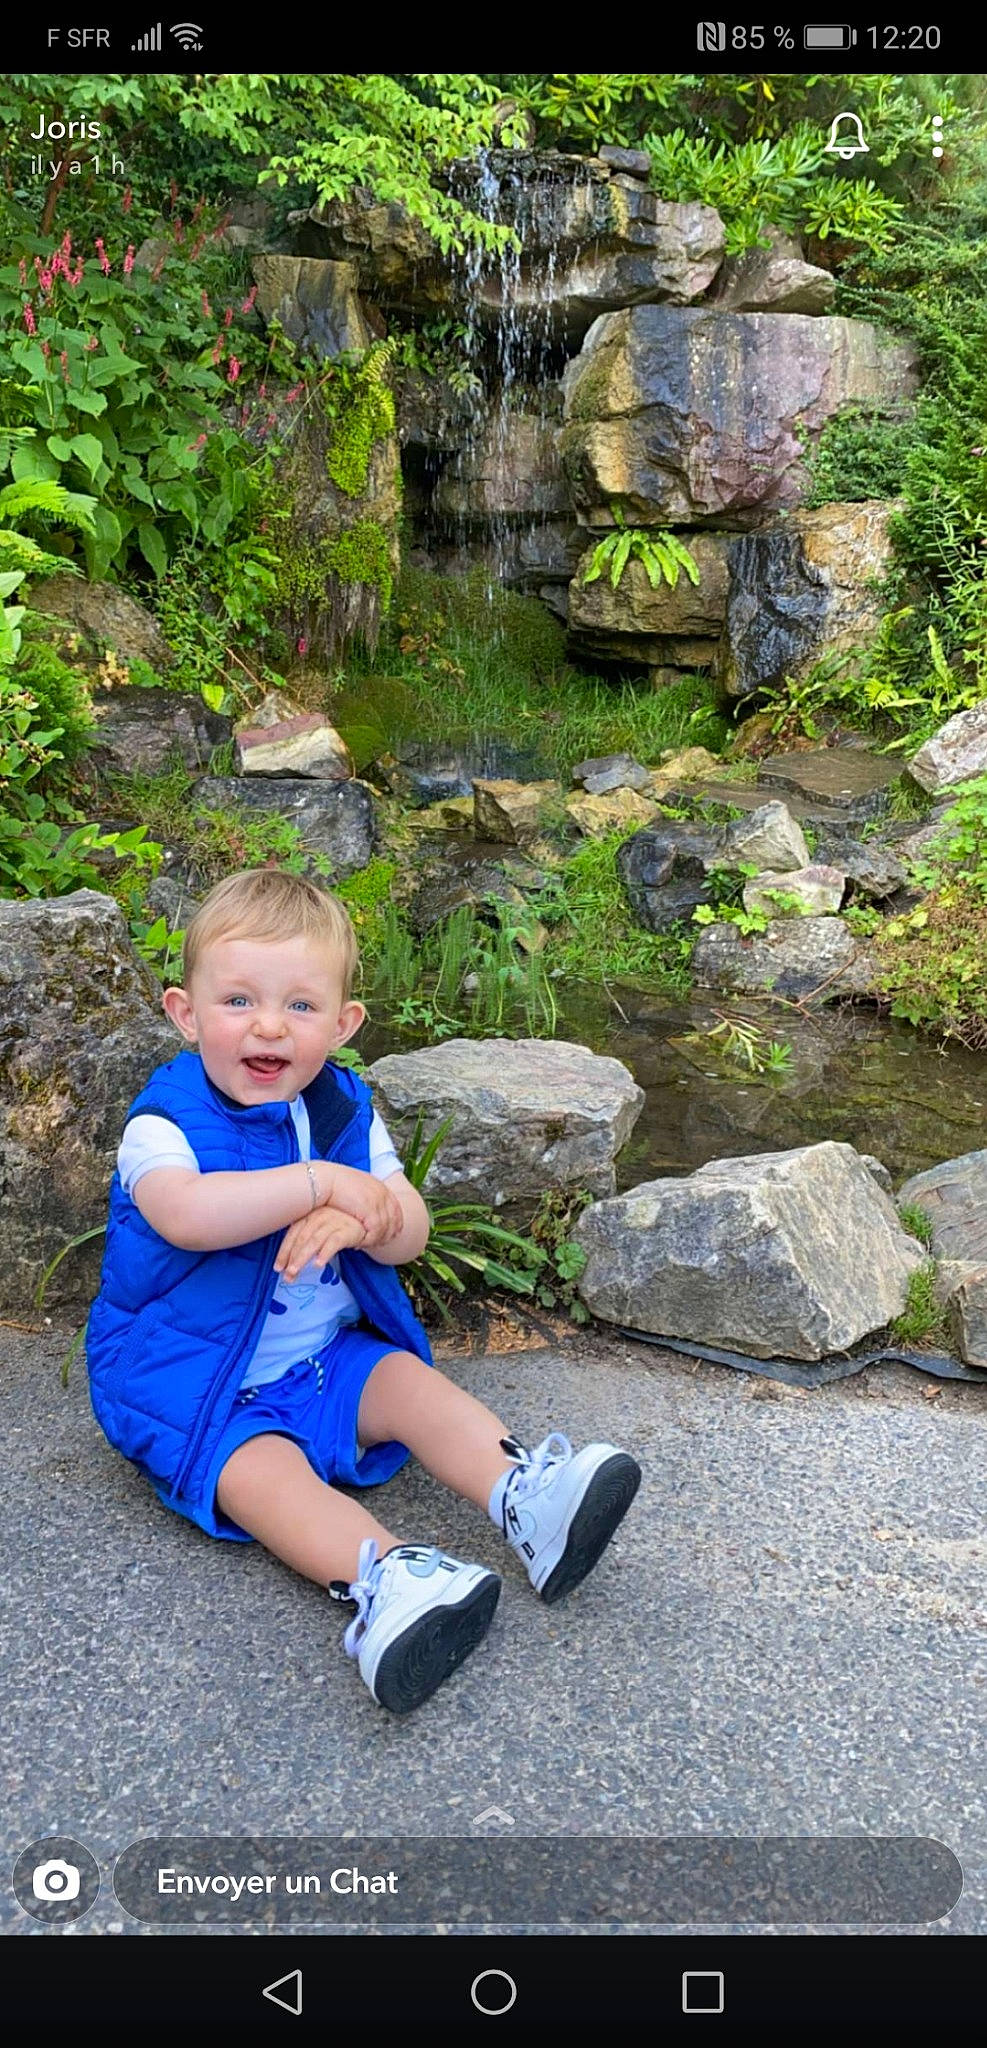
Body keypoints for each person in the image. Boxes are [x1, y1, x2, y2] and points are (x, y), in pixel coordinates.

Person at [86, 868, 641, 1714]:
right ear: (185, 1013)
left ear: (342, 1025)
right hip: (197, 1385)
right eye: (238, 1001)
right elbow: (184, 1215)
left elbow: (409, 1228)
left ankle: (526, 1494)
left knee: (408, 1384)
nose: (269, 1025)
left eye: (301, 1007)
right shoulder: (164, 1121)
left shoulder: (344, 1108)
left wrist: (369, 1213)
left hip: (323, 1357)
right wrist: (318, 1186)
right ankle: (389, 1581)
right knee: (263, 1477)